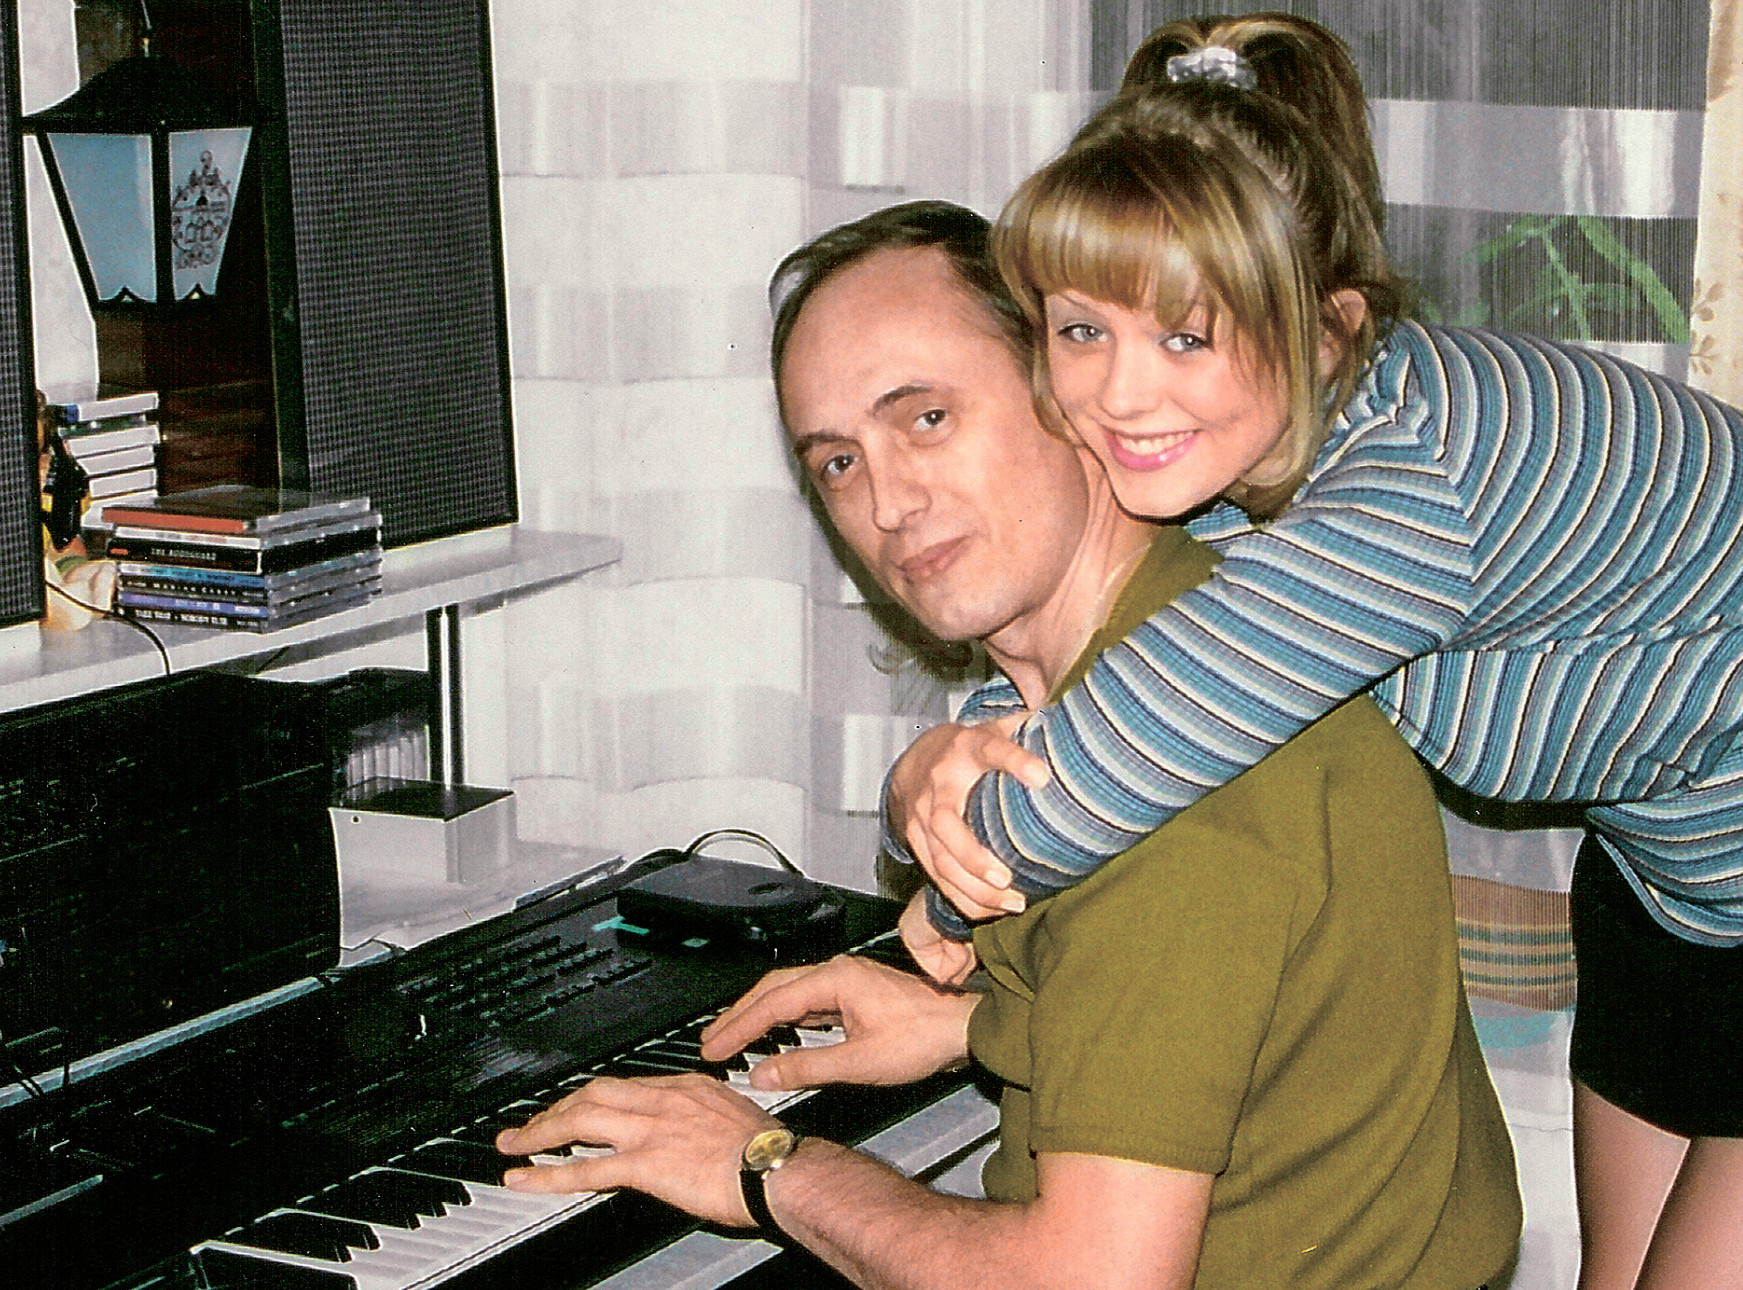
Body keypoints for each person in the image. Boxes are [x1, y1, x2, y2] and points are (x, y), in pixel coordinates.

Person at [495, 201, 1520, 1289]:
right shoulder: (1200, 640)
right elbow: (1219, 1021)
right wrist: (983, 1025)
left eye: (927, 418)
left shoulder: (1153, 784)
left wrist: (758, 1164)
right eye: (837, 462)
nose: (886, 502)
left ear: (1071, 395)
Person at [884, 14, 1743, 1290]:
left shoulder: (1405, 496)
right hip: (1673, 892)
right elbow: (1107, 648)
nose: (1119, 396)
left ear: (1328, 329)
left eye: (1187, 334)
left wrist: (940, 864)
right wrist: (940, 765)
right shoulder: (1260, 448)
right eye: (1082, 329)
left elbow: (1110, 763)